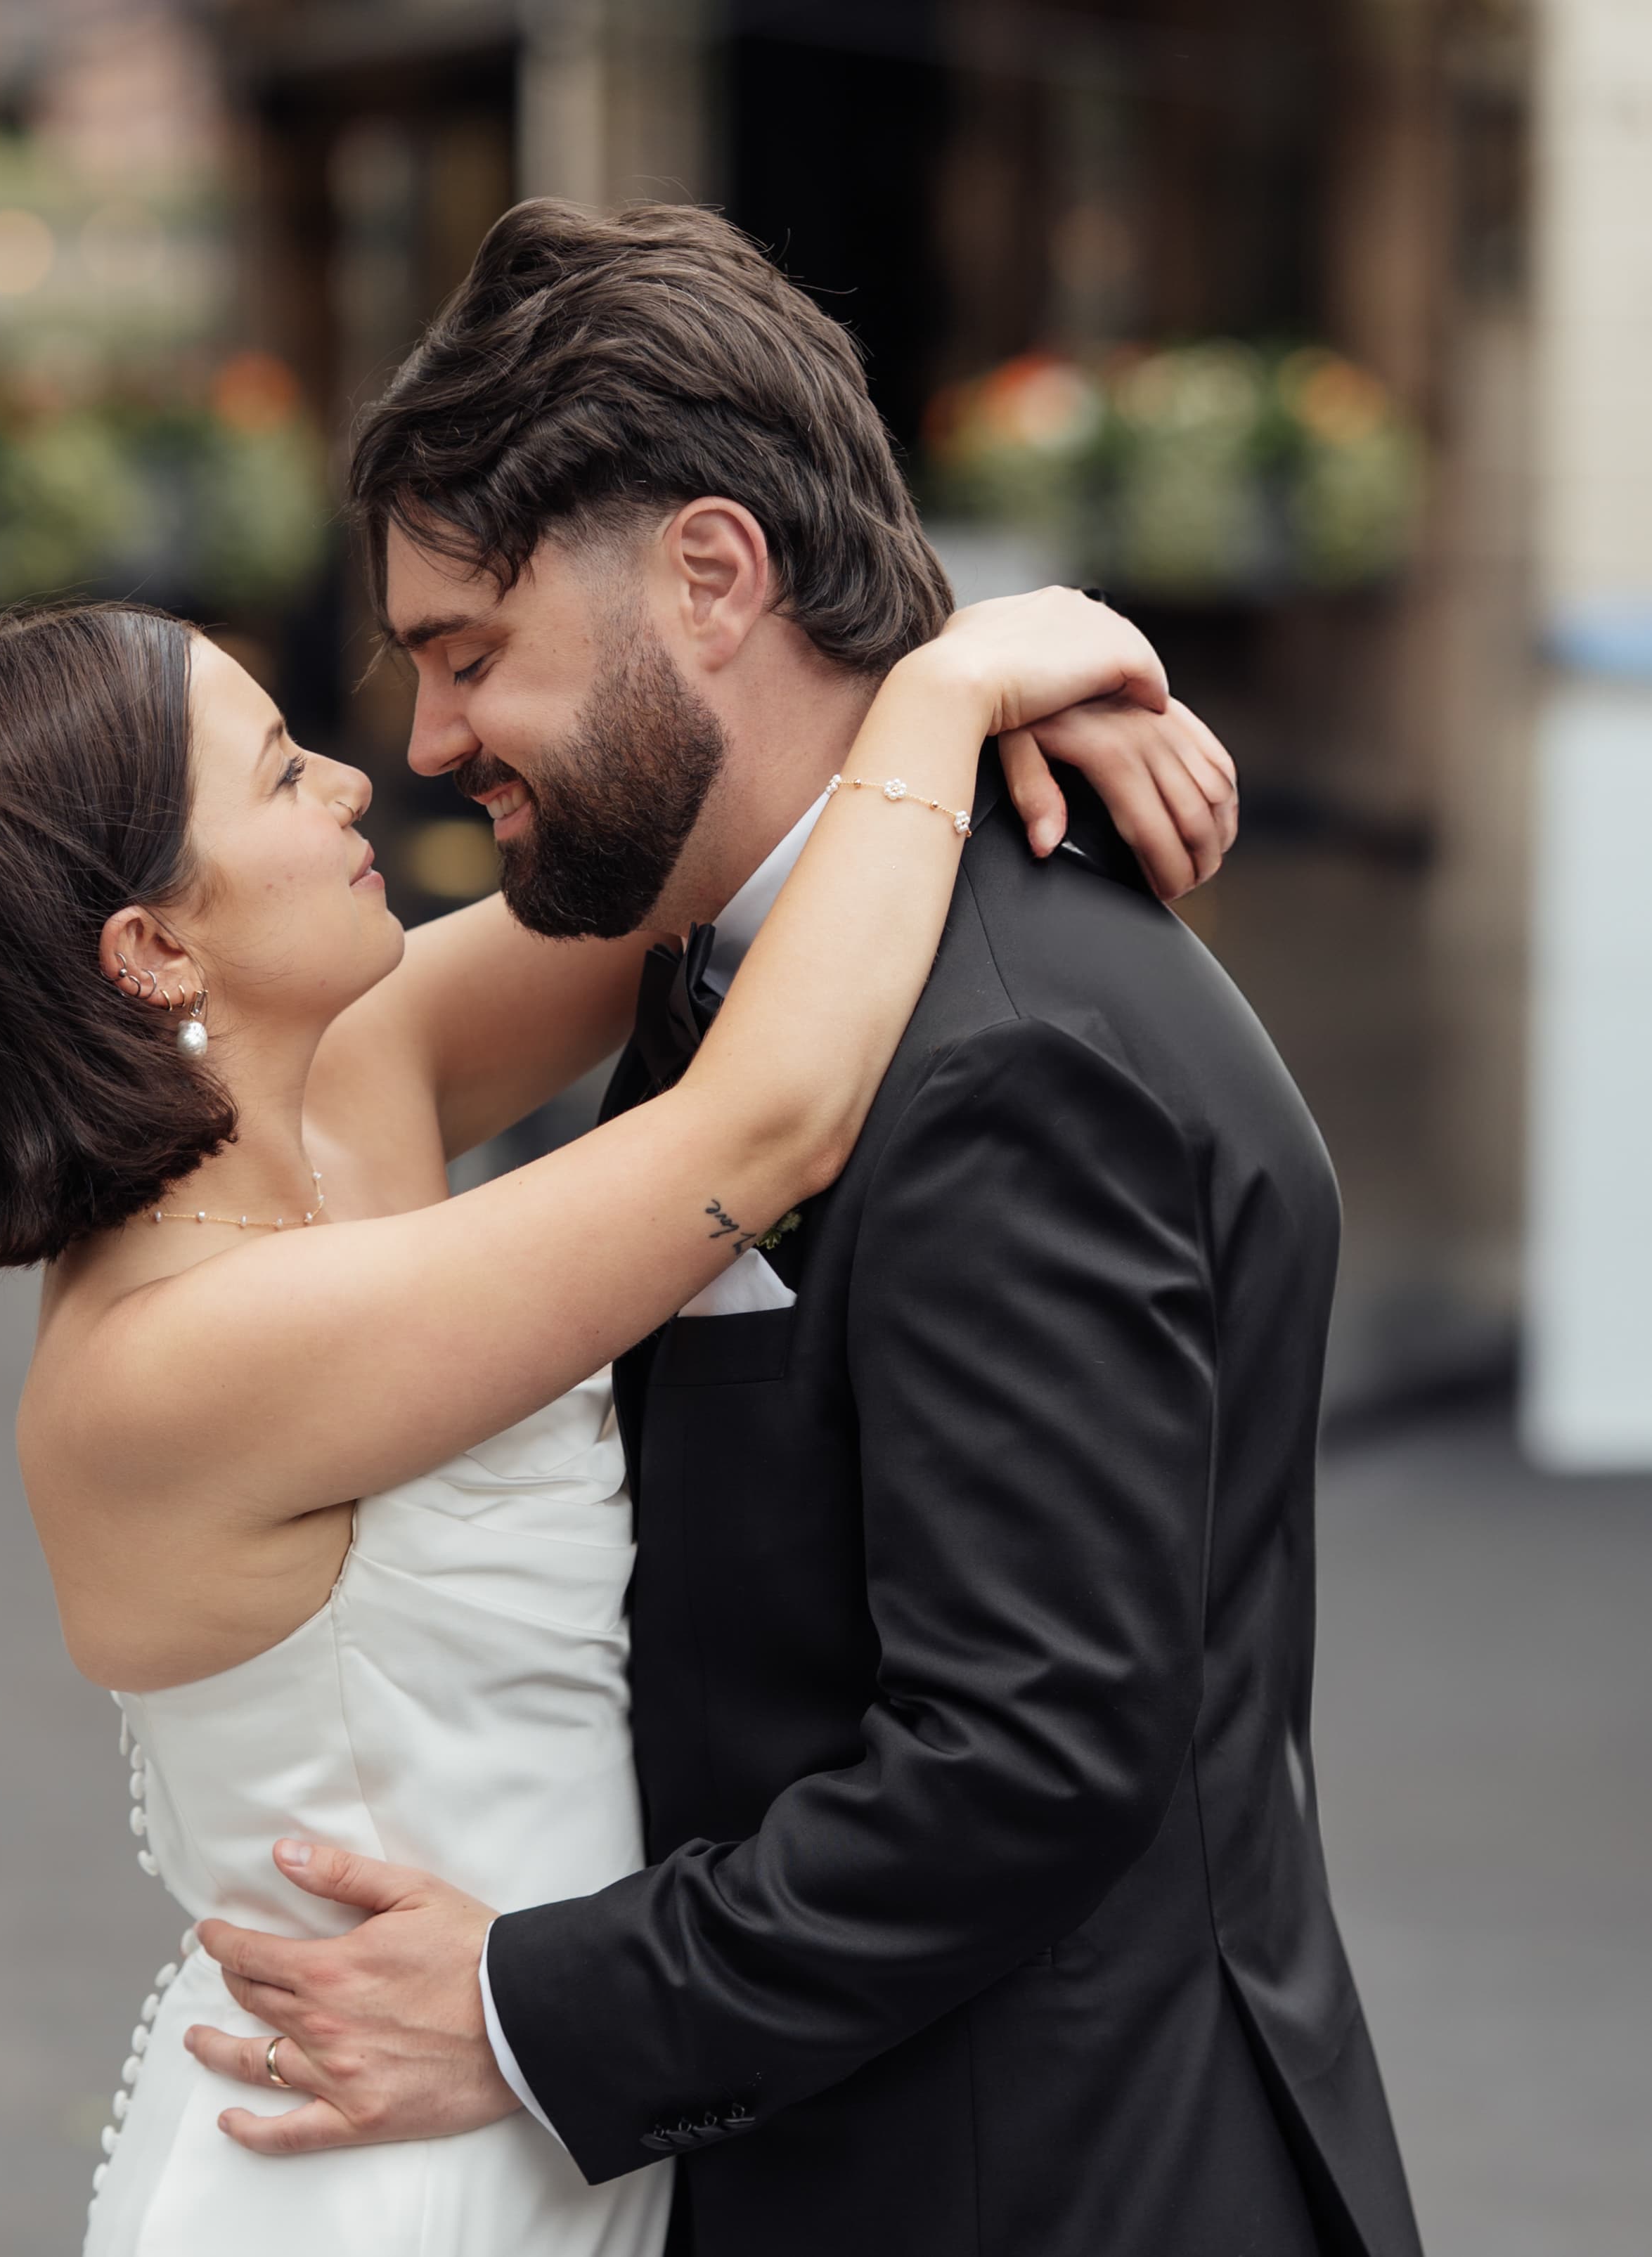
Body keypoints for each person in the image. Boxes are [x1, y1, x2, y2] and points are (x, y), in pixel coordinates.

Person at [184, 203, 1425, 2257]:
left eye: (470, 653)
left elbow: (1023, 1761)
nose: (424, 741)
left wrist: (522, 2010)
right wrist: (956, 678)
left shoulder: (1009, 1052)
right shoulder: (728, 949)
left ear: (710, 576)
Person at [0, 559, 1225, 2251]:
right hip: (384, 2172)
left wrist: (987, 681)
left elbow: (725, 852)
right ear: (154, 946)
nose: (359, 779)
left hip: (546, 2102)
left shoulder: (351, 1080)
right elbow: (767, 1119)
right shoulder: (177, 1358)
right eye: (279, 772)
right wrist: (953, 687)